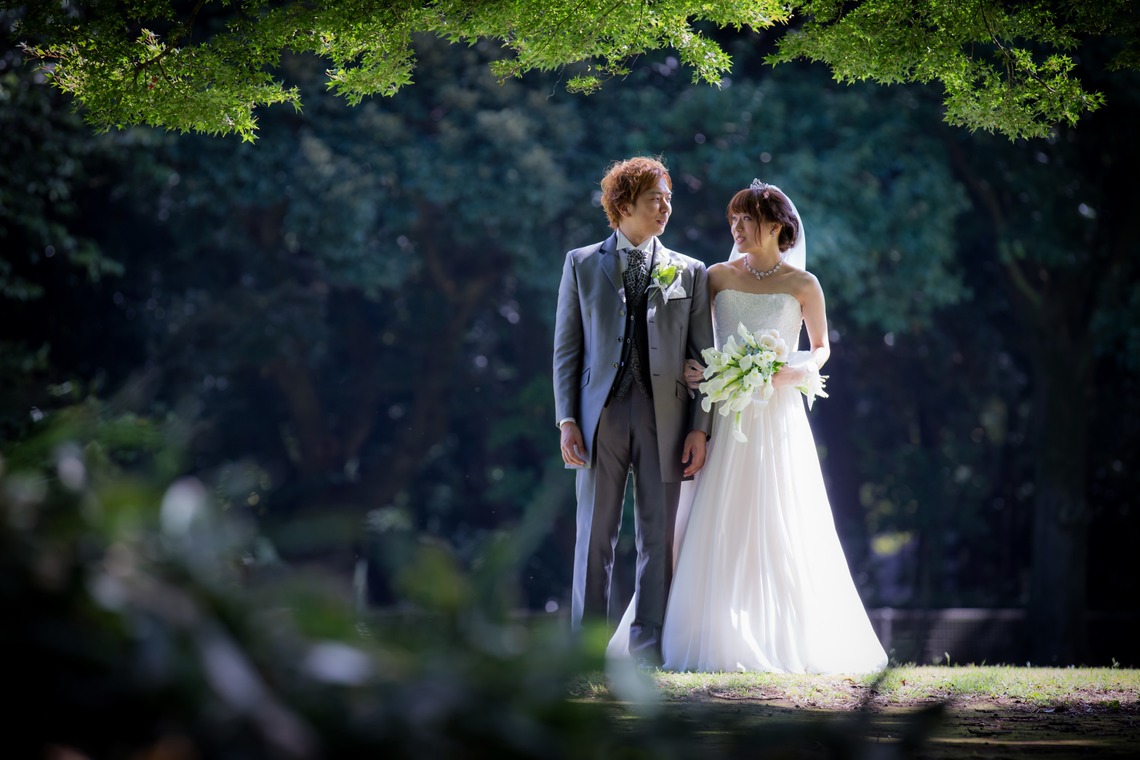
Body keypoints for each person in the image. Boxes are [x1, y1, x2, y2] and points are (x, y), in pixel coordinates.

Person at [608, 180, 888, 673]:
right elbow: (695, 338)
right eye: (733, 219)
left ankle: (779, 634)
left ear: (776, 226)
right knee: (707, 520)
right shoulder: (715, 276)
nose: (736, 228)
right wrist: (694, 370)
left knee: (778, 517)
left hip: (778, 413)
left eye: (747, 219)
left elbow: (821, 346)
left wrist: (802, 368)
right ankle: (697, 631)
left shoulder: (804, 284)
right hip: (723, 411)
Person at [553, 156, 714, 666]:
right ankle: (585, 652)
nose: (665, 208)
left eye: (668, 199)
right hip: (599, 417)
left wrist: (700, 428)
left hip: (666, 417)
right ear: (623, 205)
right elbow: (566, 350)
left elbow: (705, 356)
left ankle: (647, 652)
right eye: (654, 199)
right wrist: (567, 419)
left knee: (657, 538)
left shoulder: (690, 271)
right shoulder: (580, 263)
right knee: (594, 537)